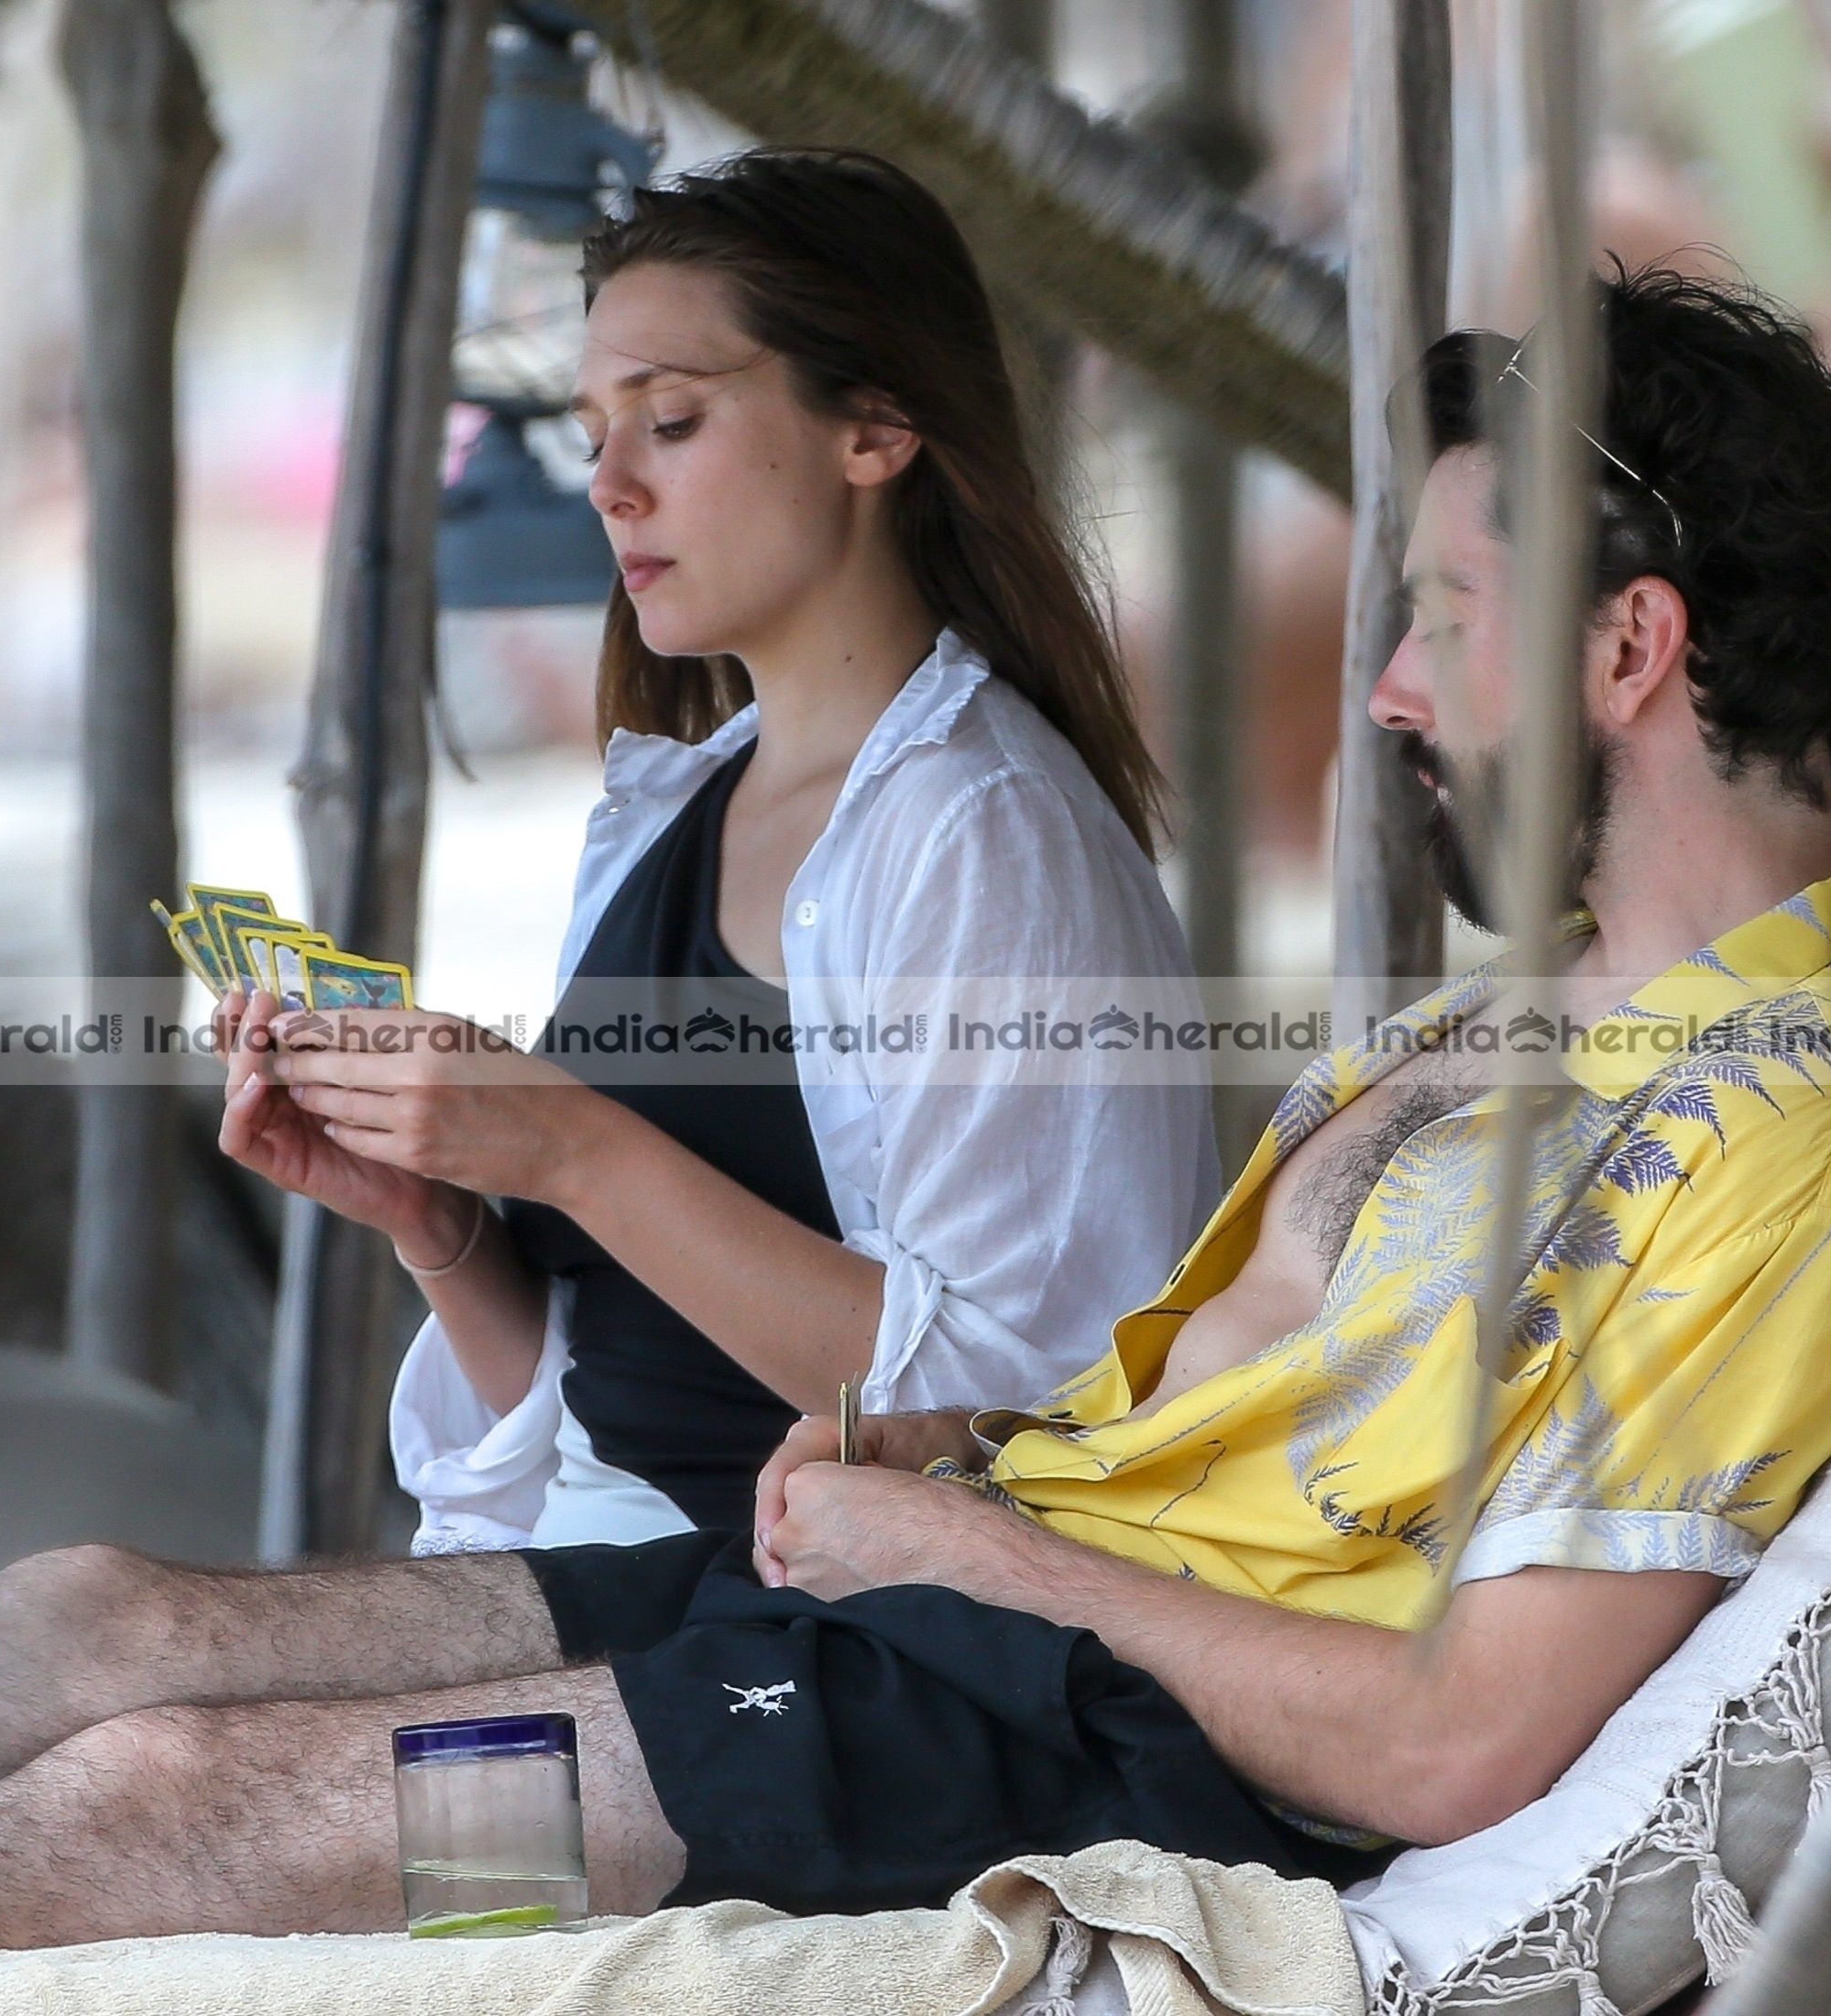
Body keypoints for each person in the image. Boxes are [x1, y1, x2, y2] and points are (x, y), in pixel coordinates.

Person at [0, 269, 1831, 1958]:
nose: (1387, 684)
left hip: (1042, 1747)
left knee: (181, 1807)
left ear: (1628, 656)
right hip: (915, 1613)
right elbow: (1171, 1392)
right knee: (101, 1619)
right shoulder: (1517, 1017)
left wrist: (979, 1546)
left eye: (1448, 617)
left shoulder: (1803, 1136)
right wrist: (945, 1468)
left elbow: (1449, 1744)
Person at [220, 150, 1215, 1551]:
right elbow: (605, 1418)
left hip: (820, 1641)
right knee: (71, 1623)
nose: (611, 488)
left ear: (874, 430)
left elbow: (1033, 1409)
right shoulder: (667, 809)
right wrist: (436, 1223)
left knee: (128, 1721)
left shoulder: (986, 833)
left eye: (671, 420)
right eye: (593, 436)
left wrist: (573, 1147)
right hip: (596, 1582)